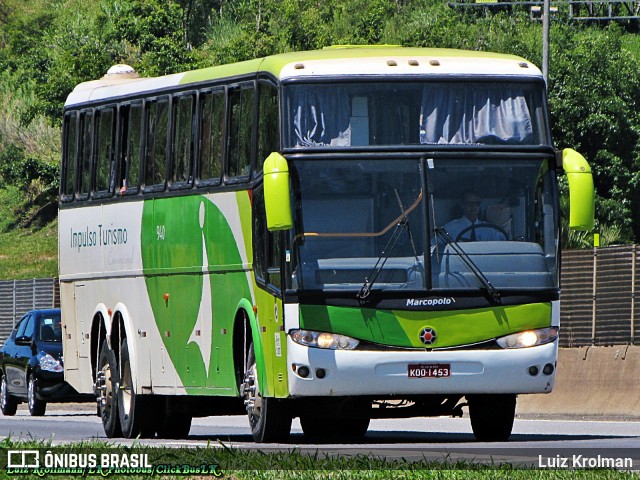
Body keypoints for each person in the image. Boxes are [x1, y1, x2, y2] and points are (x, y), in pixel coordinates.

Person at [442, 191, 506, 242]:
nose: (473, 207)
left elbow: (501, 246)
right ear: (462, 205)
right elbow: (435, 246)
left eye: (477, 203)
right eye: (470, 203)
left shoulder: (489, 229)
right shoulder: (450, 228)